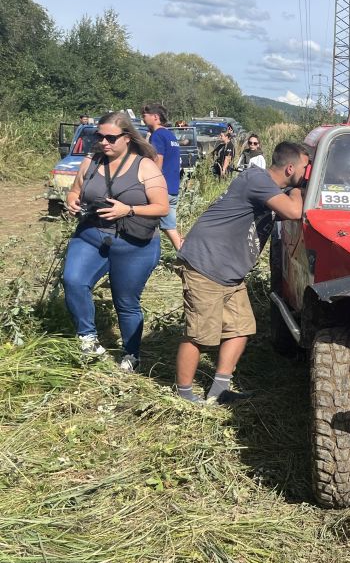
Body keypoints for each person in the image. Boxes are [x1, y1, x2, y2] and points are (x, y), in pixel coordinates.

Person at [174, 141, 308, 403]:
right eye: (305, 168)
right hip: (207, 265)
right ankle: (184, 395)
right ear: (290, 168)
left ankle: (220, 391)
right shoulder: (258, 180)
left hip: (229, 272)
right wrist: (299, 190)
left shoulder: (267, 188)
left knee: (240, 328)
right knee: (199, 335)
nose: (306, 173)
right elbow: (294, 211)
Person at [63, 111, 170, 372]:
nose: (103, 142)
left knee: (125, 302)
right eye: (99, 136)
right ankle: (88, 338)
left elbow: (162, 207)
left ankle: (131, 354)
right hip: (91, 234)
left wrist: (128, 210)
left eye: (110, 138)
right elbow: (75, 190)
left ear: (127, 137)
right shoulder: (91, 161)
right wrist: (72, 201)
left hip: (133, 244)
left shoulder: (145, 166)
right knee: (73, 280)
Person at [142, 102, 183, 251]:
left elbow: (156, 164)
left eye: (144, 115)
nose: (142, 119)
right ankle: (186, 254)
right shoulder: (170, 135)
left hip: (160, 190)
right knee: (169, 227)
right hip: (172, 188)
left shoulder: (157, 135)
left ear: (155, 117)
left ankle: (145, 254)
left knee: (144, 224)